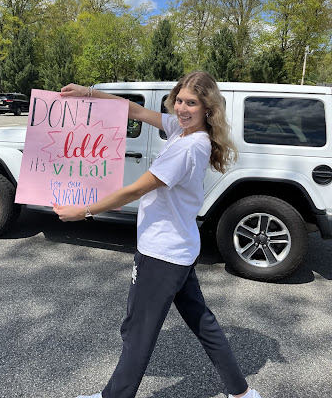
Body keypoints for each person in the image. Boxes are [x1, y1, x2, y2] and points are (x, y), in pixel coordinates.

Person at [53, 71, 262, 398]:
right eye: (179, 99)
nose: (181, 107)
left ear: (208, 108)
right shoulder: (185, 130)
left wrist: (82, 211)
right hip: (179, 248)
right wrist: (88, 93)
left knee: (138, 331)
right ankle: (242, 392)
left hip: (162, 253)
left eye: (191, 102)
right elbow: (133, 110)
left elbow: (135, 190)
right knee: (202, 321)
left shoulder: (189, 147)